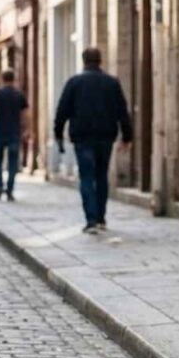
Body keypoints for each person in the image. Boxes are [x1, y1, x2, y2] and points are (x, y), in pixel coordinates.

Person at [54, 47, 133, 234]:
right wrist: (127, 136)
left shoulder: (74, 83)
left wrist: (58, 133)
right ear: (100, 60)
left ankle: (91, 220)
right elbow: (122, 111)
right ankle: (101, 217)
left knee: (87, 176)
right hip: (105, 136)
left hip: (82, 137)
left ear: (83, 61)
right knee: (101, 176)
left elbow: (62, 110)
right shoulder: (112, 83)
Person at [0, 70, 30, 201]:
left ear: (2, 79)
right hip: (14, 133)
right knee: (12, 163)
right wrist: (27, 130)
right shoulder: (19, 95)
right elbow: (26, 114)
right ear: (13, 79)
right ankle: (10, 190)